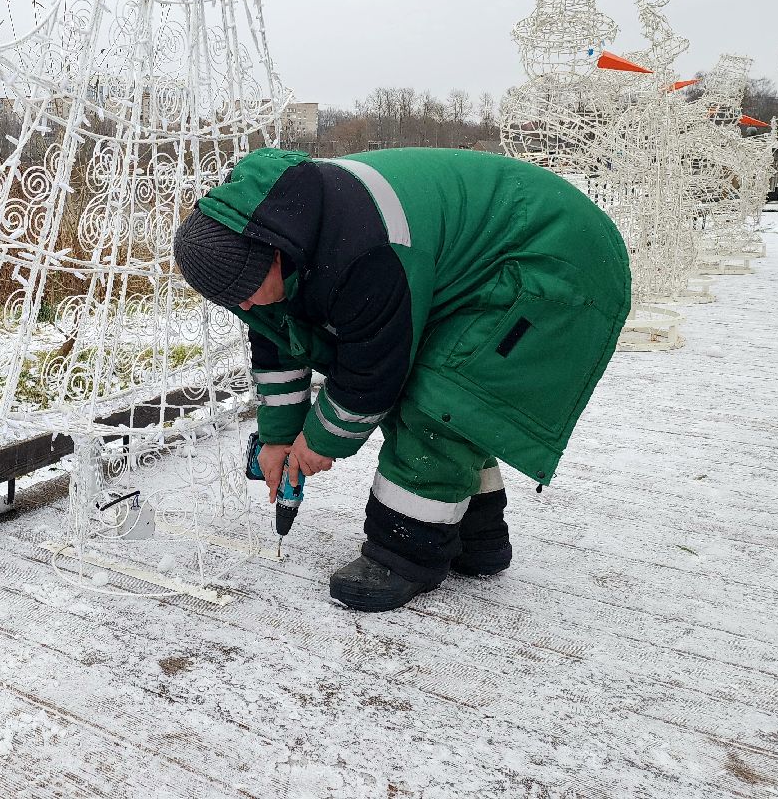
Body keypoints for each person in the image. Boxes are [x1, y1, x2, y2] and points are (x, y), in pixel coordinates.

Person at [172, 146, 631, 611]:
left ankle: (405, 554)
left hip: (551, 260)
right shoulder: (277, 238)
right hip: (481, 262)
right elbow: (280, 342)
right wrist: (277, 438)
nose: (245, 306)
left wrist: (319, 441)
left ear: (274, 256)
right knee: (446, 403)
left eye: (245, 293)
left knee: (440, 403)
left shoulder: (363, 252)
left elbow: (372, 373)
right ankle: (477, 538)